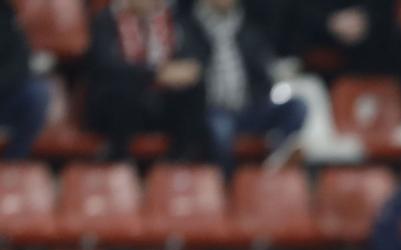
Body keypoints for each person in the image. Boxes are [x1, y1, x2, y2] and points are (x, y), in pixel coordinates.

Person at [183, 0, 307, 168]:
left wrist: (272, 72)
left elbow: (263, 74)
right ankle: (228, 185)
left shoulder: (248, 28)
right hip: (211, 111)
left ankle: (274, 161)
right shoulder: (188, 28)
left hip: (249, 109)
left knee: (297, 106)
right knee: (221, 129)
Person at [86, 0, 208, 160]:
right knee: (119, 91)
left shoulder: (174, 19)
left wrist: (185, 70)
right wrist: (155, 74)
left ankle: (181, 159)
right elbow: (107, 66)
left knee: (193, 89)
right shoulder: (106, 20)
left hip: (161, 104)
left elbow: (193, 57)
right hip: (122, 109)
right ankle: (118, 157)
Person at [1, 1, 53, 160]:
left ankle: (12, 163)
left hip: (5, 94)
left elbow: (20, 60)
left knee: (39, 93)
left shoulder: (6, 14)